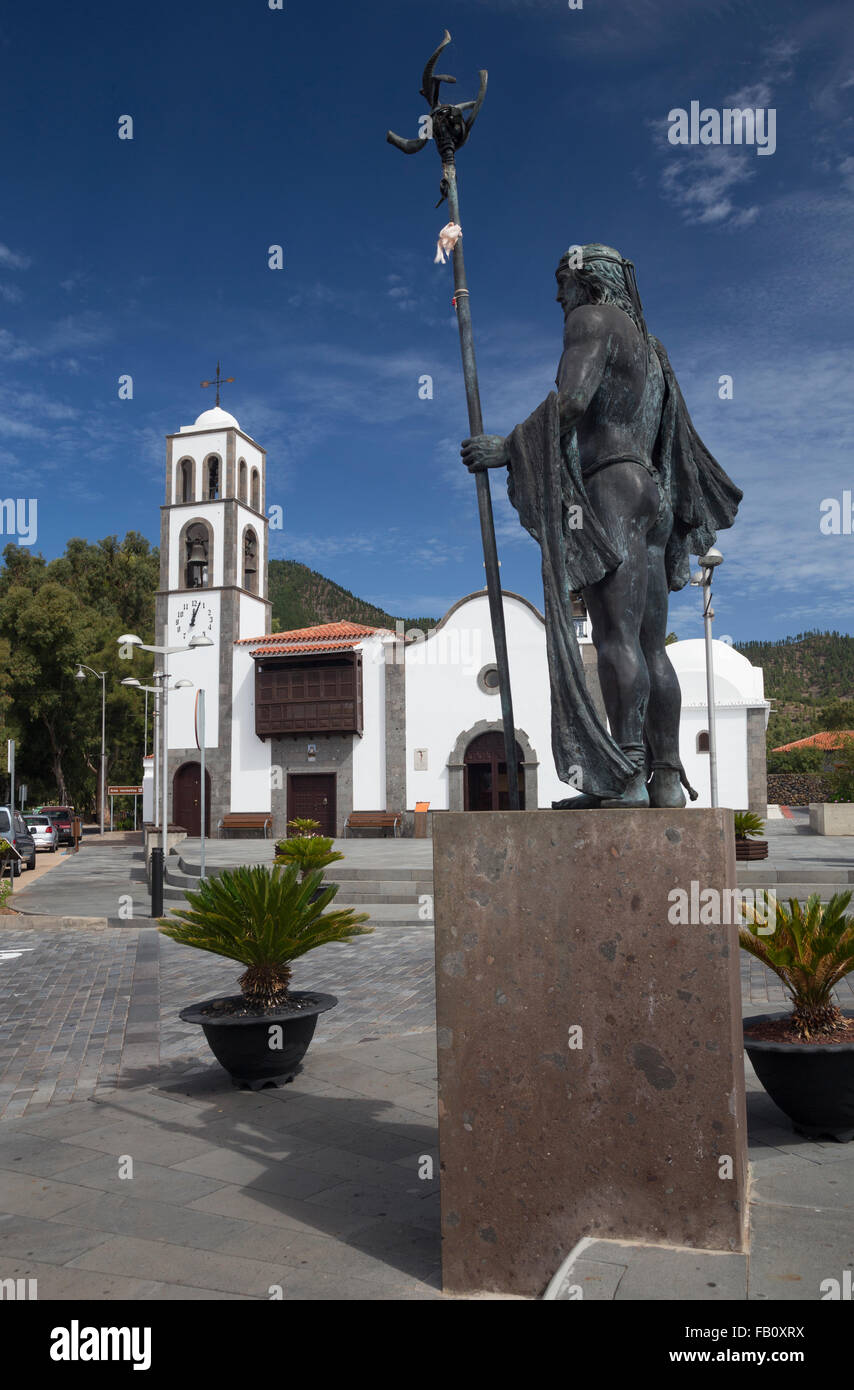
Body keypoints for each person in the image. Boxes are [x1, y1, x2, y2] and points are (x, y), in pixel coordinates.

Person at [461, 243, 742, 808]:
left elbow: (570, 404)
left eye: (562, 283)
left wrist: (509, 448)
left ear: (587, 282)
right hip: (651, 493)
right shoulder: (654, 351)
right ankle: (664, 778)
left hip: (610, 483)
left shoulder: (591, 321)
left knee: (616, 637)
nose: (557, 296)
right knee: (651, 644)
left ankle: (626, 778)